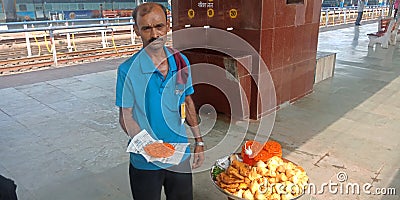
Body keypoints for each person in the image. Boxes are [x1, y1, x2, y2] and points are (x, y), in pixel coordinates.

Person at [115, 2, 204, 200]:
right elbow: (125, 117)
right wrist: (150, 147)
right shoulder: (127, 70)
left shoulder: (180, 62)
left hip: (179, 154)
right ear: (136, 30)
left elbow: (187, 102)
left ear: (167, 26)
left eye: (159, 26)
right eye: (146, 28)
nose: (154, 34)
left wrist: (199, 141)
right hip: (145, 162)